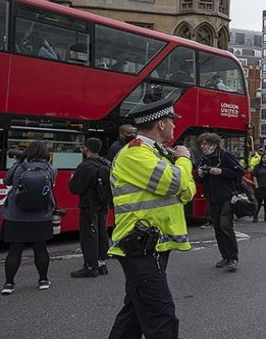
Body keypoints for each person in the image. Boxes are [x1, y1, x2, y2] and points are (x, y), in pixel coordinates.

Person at [107, 98, 195, 339]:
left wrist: (179, 170)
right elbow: (177, 182)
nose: (175, 127)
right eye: (172, 122)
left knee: (134, 314)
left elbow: (188, 192)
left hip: (153, 245)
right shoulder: (135, 153)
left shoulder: (159, 154)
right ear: (161, 124)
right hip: (140, 246)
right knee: (161, 317)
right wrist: (184, 159)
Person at [0, 141, 56, 294]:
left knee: (15, 250)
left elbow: (6, 181)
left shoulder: (18, 168)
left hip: (16, 215)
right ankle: (43, 280)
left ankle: (8, 284)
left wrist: (18, 161)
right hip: (41, 216)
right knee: (41, 249)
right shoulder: (50, 169)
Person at [195, 132, 245, 270]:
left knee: (225, 226)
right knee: (217, 229)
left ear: (215, 144)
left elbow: (239, 172)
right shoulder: (203, 159)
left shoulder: (225, 155)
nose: (203, 146)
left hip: (227, 196)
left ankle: (233, 258)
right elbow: (198, 178)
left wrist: (221, 171)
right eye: (201, 144)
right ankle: (225, 257)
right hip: (212, 198)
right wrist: (198, 174)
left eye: (206, 143)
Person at [68, 138, 112, 278]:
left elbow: (75, 188)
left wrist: (71, 179)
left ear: (86, 149)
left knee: (89, 235)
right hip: (103, 203)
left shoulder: (85, 166)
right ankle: (101, 263)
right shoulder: (106, 163)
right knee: (101, 232)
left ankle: (90, 266)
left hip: (89, 204)